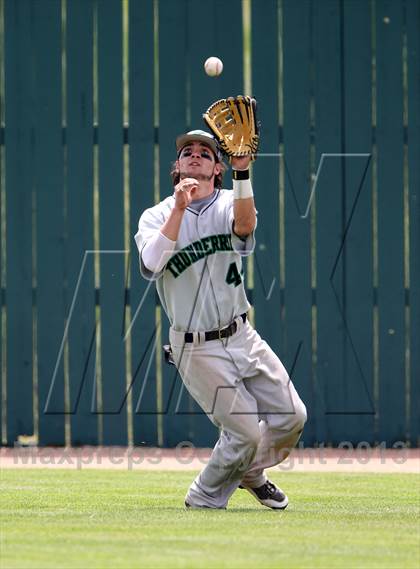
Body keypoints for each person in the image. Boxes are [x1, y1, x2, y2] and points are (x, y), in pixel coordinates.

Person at [134, 129, 307, 510]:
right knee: (243, 432)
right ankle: (203, 497)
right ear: (177, 168)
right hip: (196, 347)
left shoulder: (231, 200)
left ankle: (248, 472)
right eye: (186, 153)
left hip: (242, 334)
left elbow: (244, 228)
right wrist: (179, 208)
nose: (194, 156)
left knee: (292, 416)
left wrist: (242, 172)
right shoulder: (157, 215)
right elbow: (150, 264)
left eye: (204, 152)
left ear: (217, 167)